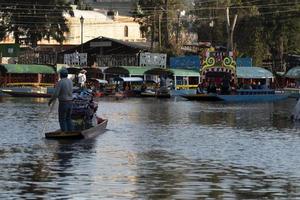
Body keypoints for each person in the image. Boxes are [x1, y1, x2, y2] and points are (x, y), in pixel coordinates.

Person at [48, 68, 74, 132]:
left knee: (62, 119)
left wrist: (50, 101)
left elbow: (56, 94)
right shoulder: (70, 81)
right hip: (70, 102)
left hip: (63, 103)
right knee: (68, 118)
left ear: (61, 75)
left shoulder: (60, 82)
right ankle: (70, 132)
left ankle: (64, 133)